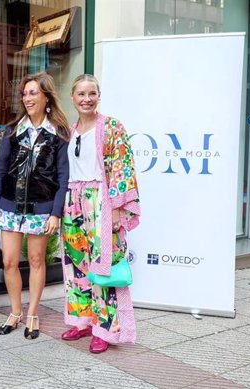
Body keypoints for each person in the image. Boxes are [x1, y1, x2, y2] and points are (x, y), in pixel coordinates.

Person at [60, 74, 141, 353]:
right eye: (81, 94)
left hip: (101, 202)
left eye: (91, 93)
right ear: (72, 98)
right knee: (76, 263)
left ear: (99, 96)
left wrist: (118, 207)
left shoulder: (112, 127)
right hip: (73, 202)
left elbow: (122, 167)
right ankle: (83, 320)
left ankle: (104, 329)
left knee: (102, 265)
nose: (86, 99)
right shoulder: (70, 130)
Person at [0, 72, 70, 340]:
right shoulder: (12, 130)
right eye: (25, 93)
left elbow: (63, 177)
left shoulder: (58, 133)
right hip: (10, 206)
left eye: (33, 92)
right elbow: (0, 172)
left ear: (46, 96)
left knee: (36, 260)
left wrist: (56, 213)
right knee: (9, 261)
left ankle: (33, 314)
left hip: (42, 207)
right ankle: (15, 312)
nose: (27, 98)